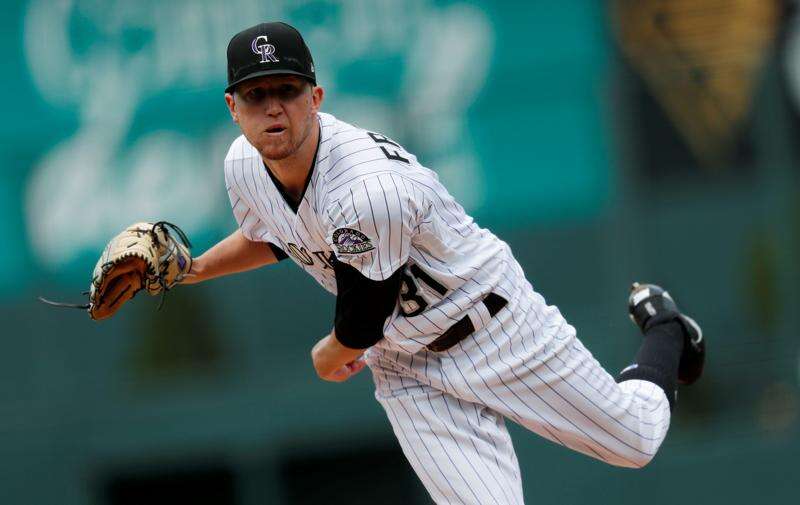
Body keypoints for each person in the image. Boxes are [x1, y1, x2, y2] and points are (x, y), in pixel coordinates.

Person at [183, 21, 706, 504]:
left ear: (315, 97)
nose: (273, 108)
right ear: (233, 106)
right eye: (256, 95)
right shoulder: (243, 166)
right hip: (409, 368)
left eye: (287, 91)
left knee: (635, 440)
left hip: (495, 326)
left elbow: (362, 320)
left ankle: (667, 328)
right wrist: (192, 268)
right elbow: (282, 234)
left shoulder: (368, 189)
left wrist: (326, 354)